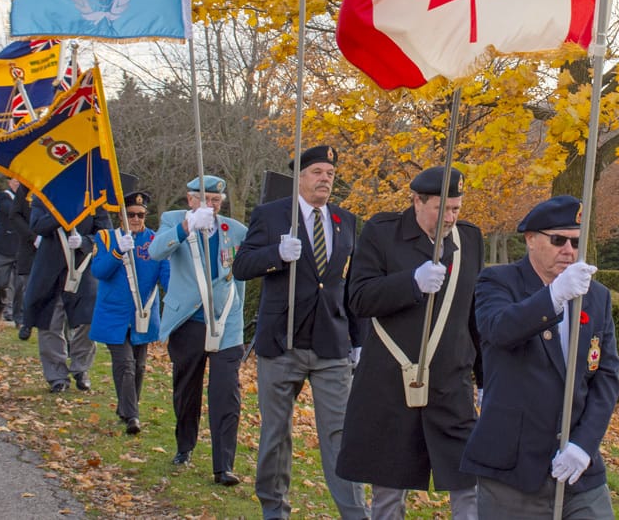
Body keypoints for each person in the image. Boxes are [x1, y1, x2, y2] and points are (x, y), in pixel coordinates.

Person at [336, 166, 484, 520]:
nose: (450, 218)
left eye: (456, 209)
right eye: (442, 209)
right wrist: (411, 283)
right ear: (417, 201)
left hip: (451, 383)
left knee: (469, 482)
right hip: (391, 382)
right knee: (389, 488)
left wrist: (485, 379)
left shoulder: (469, 239)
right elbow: (359, 298)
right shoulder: (382, 232)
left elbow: (474, 315)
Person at [460, 195, 619, 519]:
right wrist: (554, 296)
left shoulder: (596, 296)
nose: (569, 251)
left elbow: (605, 376)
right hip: (512, 469)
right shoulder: (498, 282)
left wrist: (584, 444)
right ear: (531, 240)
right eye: (558, 240)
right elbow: (499, 329)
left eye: (576, 242)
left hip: (577, 468)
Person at [234, 145, 367, 520]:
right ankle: (274, 507)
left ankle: (355, 512)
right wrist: (276, 254)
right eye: (317, 172)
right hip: (282, 341)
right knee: (276, 433)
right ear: (301, 177)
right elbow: (242, 266)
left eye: (330, 173)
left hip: (331, 344)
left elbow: (350, 284)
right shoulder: (271, 215)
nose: (325, 179)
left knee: (340, 434)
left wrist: (358, 340)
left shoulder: (344, 220)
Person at [148, 174, 247, 486]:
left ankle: (223, 466)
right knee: (187, 389)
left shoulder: (235, 230)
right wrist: (186, 226)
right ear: (191, 200)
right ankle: (185, 445)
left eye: (216, 200)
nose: (212, 205)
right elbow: (156, 252)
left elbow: (247, 267)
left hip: (226, 322)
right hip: (188, 321)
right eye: (205, 200)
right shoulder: (173, 220)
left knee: (226, 393)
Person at [91, 190, 170, 435]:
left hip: (143, 315)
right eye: (131, 214)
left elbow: (166, 276)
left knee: (139, 366)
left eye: (140, 215)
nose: (136, 219)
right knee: (125, 363)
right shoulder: (106, 237)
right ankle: (132, 415)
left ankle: (125, 409)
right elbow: (99, 272)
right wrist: (117, 252)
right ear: (121, 215)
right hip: (114, 314)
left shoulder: (155, 240)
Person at [25, 197, 111, 392]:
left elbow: (105, 232)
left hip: (82, 267)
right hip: (50, 268)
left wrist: (85, 241)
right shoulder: (43, 196)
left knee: (88, 318)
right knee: (50, 322)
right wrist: (61, 213)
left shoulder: (94, 198)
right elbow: (37, 225)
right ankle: (56, 375)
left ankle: (81, 367)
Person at [0, 177, 20, 323]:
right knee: (0, 283)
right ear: (9, 182)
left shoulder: (32, 199)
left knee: (20, 285)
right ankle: (0, 304)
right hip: (4, 246)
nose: (18, 183)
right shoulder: (4, 197)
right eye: (15, 180)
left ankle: (16, 315)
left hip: (22, 247)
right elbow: (4, 211)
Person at [8, 183, 37, 335]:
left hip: (59, 247)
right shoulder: (27, 187)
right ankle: (25, 320)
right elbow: (15, 215)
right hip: (29, 247)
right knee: (27, 286)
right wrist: (33, 236)